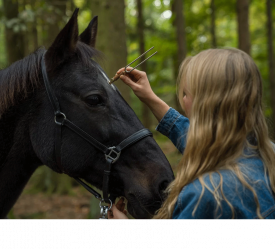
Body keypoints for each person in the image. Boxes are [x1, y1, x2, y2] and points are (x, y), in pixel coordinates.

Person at [108, 48, 275, 220]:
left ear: (204, 105)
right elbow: (197, 137)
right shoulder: (266, 155)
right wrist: (150, 97)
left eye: (186, 94)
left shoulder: (204, 196)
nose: (183, 99)